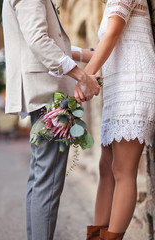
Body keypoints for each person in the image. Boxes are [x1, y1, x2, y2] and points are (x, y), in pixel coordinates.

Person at [2, 0, 101, 240]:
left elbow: (49, 39)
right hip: (47, 95)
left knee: (41, 180)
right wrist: (81, 76)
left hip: (44, 93)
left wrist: (84, 54)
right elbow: (38, 39)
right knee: (48, 182)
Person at [72, 0, 155, 239]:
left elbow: (112, 36)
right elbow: (104, 47)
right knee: (105, 167)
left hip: (134, 84)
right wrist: (68, 54)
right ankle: (95, 236)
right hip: (118, 88)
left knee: (122, 170)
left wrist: (84, 79)